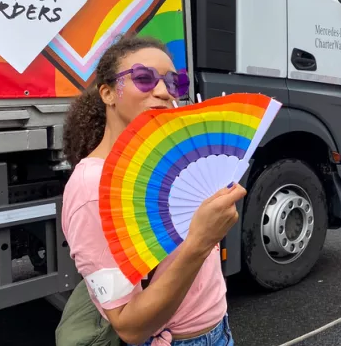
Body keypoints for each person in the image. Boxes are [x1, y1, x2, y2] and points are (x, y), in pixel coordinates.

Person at [61, 35, 243, 346]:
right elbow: (129, 327)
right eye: (144, 79)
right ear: (107, 92)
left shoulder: (168, 161)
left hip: (218, 330)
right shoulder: (93, 188)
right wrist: (201, 240)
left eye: (174, 82)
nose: (163, 92)